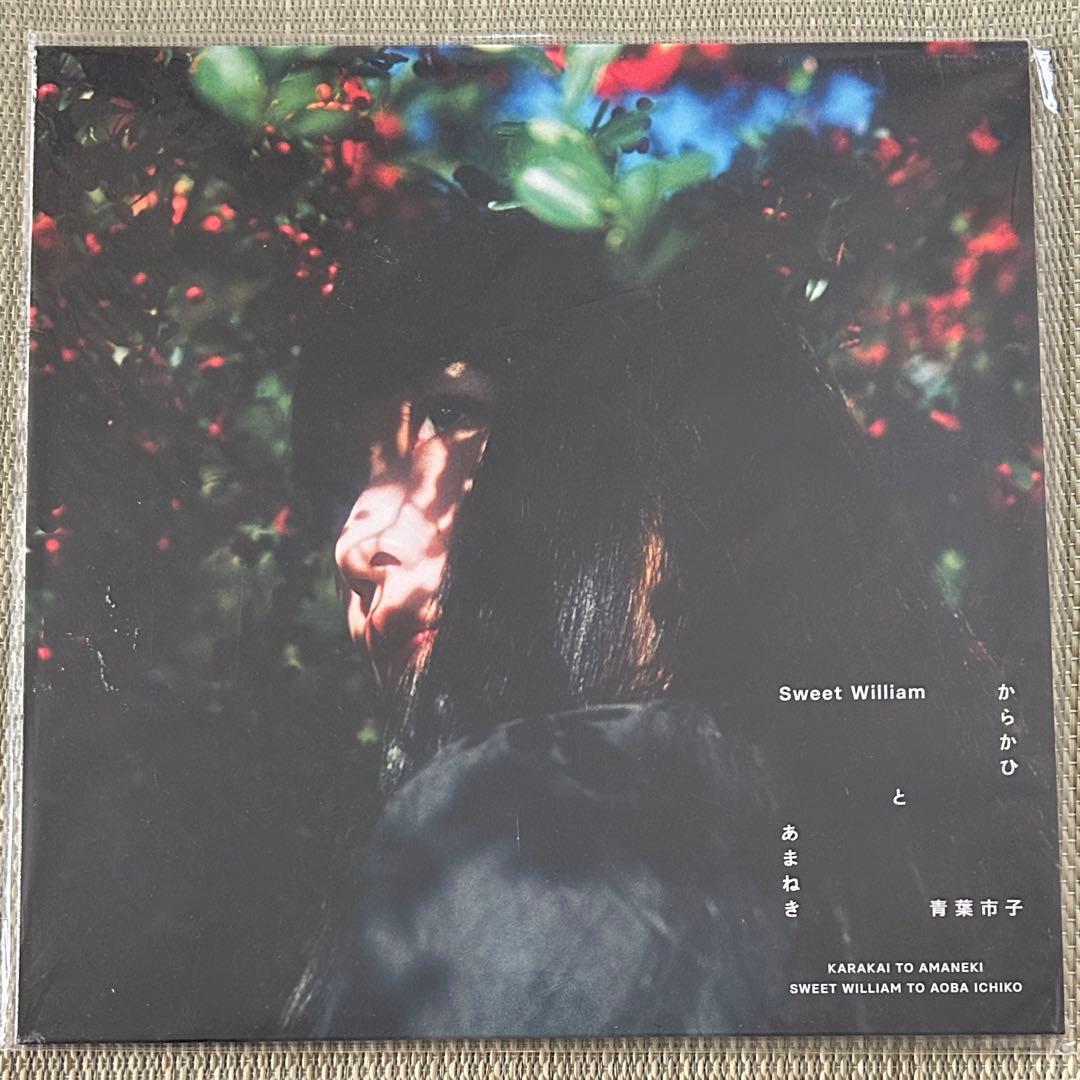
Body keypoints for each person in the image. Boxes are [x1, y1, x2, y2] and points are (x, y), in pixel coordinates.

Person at [284, 200, 1060, 1037]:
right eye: (345, 484)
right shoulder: (975, 886)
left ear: (673, 457)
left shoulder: (542, 813)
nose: (352, 543)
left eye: (451, 413)